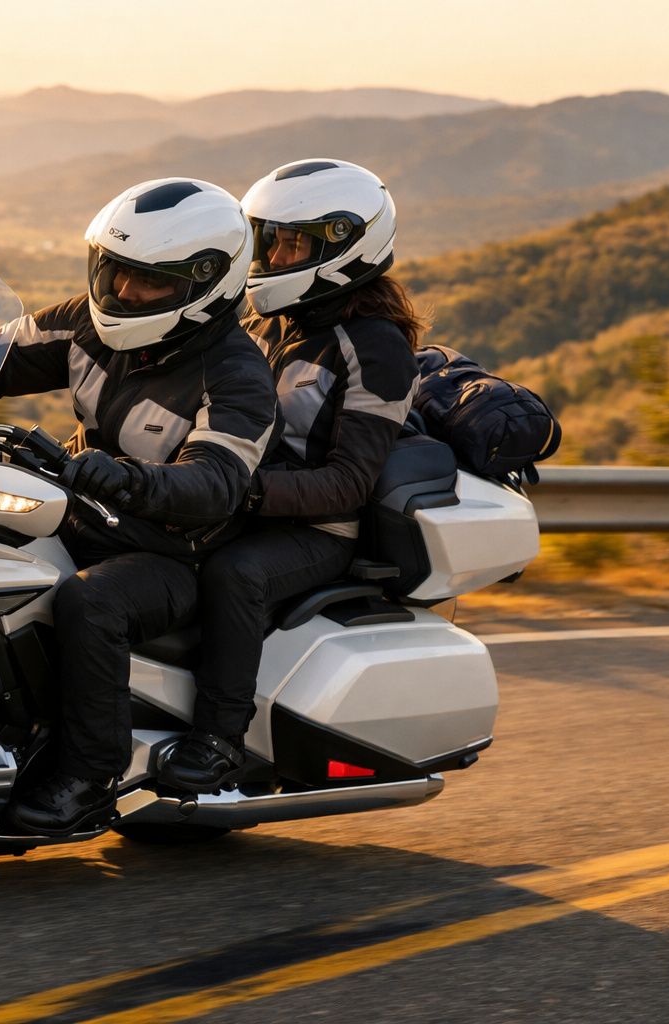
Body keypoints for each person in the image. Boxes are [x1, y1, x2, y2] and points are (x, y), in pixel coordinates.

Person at [0, 177, 279, 834]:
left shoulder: (236, 374)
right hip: (87, 513)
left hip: (173, 553)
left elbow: (215, 484)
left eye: (147, 280)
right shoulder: (85, 326)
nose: (122, 292)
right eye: (116, 271)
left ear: (203, 283)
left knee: (92, 602)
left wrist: (127, 480)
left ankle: (89, 777)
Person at [155, 158, 428, 793]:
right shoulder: (264, 324)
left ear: (344, 245)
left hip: (321, 528)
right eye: (268, 240)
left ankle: (219, 739)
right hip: (241, 502)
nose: (273, 257)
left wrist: (243, 494)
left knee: (235, 573)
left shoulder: (376, 346)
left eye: (291, 243)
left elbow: (348, 484)